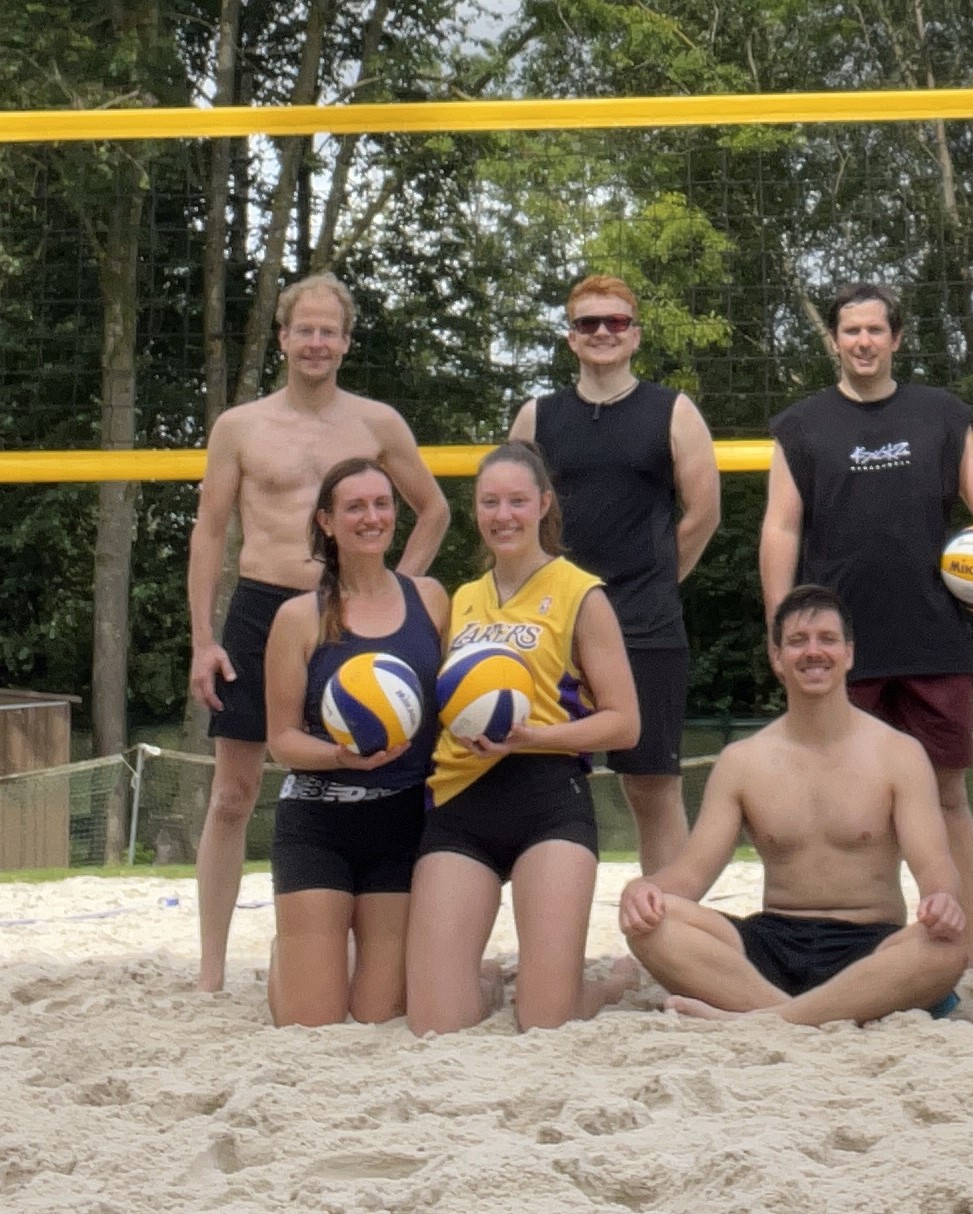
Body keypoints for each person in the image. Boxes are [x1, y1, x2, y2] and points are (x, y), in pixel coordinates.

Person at [759, 283, 973, 974]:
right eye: (850, 331)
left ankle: (971, 947)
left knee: (947, 797)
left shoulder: (939, 414)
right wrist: (782, 626)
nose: (863, 341)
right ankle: (863, 941)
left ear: (895, 337)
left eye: (875, 330)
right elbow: (781, 527)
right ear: (835, 340)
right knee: (846, 805)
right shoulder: (801, 426)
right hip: (837, 646)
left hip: (931, 635)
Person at [188, 272, 450, 992]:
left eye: (327, 331)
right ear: (282, 337)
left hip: (351, 619)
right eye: (302, 329)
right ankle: (211, 971)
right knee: (233, 794)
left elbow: (433, 510)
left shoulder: (376, 422)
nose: (315, 342)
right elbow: (209, 531)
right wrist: (202, 639)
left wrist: (396, 596)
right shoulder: (240, 426)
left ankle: (379, 934)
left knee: (388, 771)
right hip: (262, 605)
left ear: (345, 341)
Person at [619, 584, 967, 1025]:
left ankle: (761, 1018)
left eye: (827, 639)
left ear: (849, 654)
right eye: (798, 641)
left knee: (945, 947)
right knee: (651, 923)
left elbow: (934, 865)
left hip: (870, 946)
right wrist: (644, 889)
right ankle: (797, 1015)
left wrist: (942, 900)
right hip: (771, 943)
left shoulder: (899, 754)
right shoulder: (742, 761)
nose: (813, 652)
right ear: (777, 657)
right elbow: (690, 875)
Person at [405, 441, 641, 1034]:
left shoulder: (581, 593)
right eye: (490, 502)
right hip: (462, 800)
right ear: (476, 509)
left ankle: (605, 985)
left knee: (544, 1019)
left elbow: (624, 722)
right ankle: (484, 979)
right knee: (435, 1022)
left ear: (543, 504)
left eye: (516, 501)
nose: (503, 515)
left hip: (547, 797)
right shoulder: (463, 599)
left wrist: (531, 735)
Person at [509, 275, 720, 874]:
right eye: (588, 323)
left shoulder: (673, 411)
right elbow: (513, 514)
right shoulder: (536, 417)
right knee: (538, 781)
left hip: (643, 622)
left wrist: (657, 581)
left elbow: (703, 513)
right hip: (551, 624)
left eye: (616, 322)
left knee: (652, 785)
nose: (603, 332)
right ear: (571, 337)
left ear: (636, 335)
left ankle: (667, 922)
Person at [262, 458, 447, 1027]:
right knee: (310, 1021)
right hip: (318, 821)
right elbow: (281, 741)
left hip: (402, 820)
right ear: (326, 522)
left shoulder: (431, 599)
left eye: (382, 504)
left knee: (377, 1013)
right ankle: (290, 953)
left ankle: (317, 952)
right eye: (355, 507)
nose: (372, 517)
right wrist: (341, 756)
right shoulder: (299, 617)